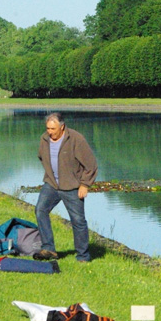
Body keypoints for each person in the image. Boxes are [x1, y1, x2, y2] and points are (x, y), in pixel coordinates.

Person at [33, 112, 98, 262]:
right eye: (48, 128)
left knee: (78, 221)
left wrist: (84, 184)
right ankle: (48, 248)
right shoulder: (44, 139)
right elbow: (41, 157)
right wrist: (50, 174)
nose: (49, 132)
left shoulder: (76, 139)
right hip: (51, 184)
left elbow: (91, 165)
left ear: (62, 127)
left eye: (53, 129)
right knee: (40, 210)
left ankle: (83, 256)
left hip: (72, 186)